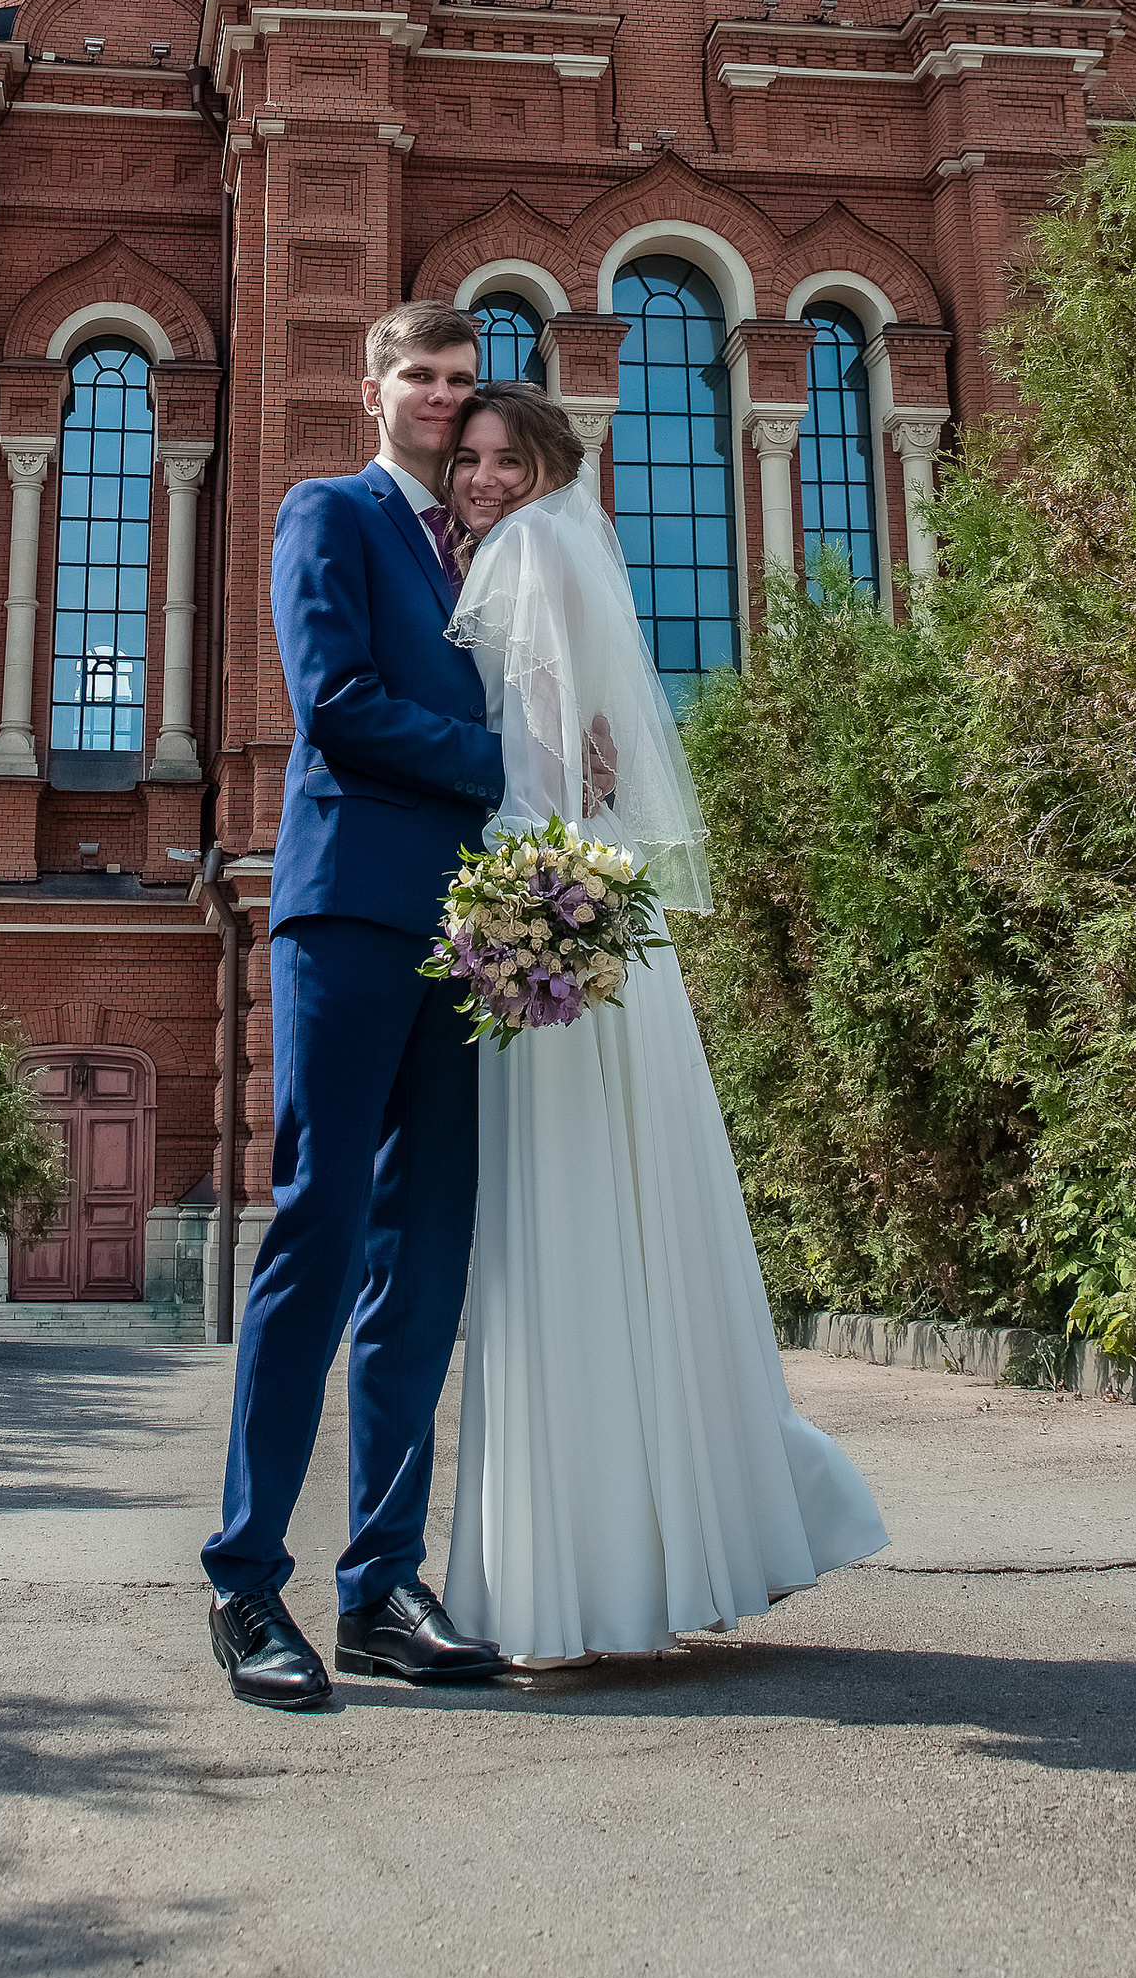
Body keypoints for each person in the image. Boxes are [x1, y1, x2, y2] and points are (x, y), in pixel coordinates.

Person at [437, 381, 888, 1663]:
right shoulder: (571, 547)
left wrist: (510, 898)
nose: (479, 479)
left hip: (541, 922)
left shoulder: (521, 555)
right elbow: (590, 750)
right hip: (591, 918)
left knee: (562, 1240)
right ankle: (685, 1536)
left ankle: (576, 1582)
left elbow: (525, 765)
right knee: (630, 1227)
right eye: (467, 459)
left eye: (501, 457)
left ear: (543, 465)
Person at [200, 304, 510, 1709]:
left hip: (479, 936)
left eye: (461, 379)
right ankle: (246, 1580)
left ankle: (381, 1584)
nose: (443, 399)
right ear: (372, 388)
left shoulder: (490, 542)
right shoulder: (328, 511)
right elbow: (335, 701)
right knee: (319, 1231)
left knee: (424, 1256)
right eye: (422, 378)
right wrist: (508, 759)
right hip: (348, 913)